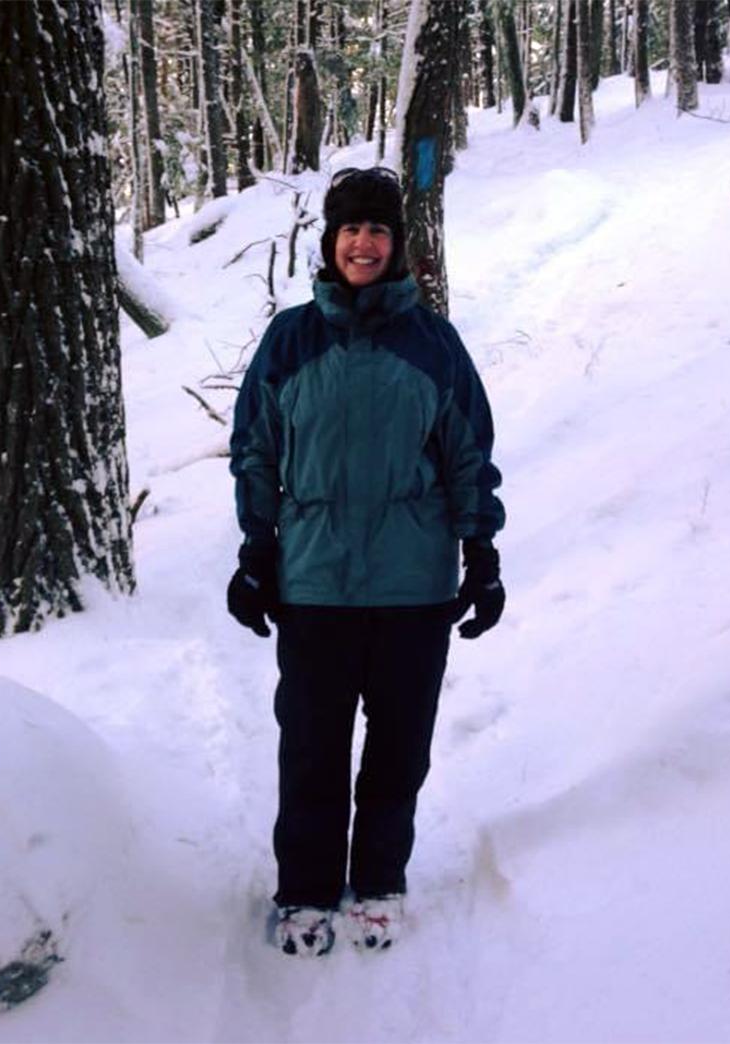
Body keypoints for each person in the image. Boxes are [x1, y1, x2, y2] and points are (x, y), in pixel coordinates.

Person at [227, 167, 506, 957]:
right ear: (330, 242)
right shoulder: (291, 338)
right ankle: (306, 889)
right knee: (311, 745)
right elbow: (255, 449)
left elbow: (467, 455)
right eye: (351, 229)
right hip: (313, 583)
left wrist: (479, 551)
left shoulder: (433, 344)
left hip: (413, 587)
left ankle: (379, 881)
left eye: (378, 230)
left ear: (396, 246)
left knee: (397, 747)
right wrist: (257, 550)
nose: (363, 242)